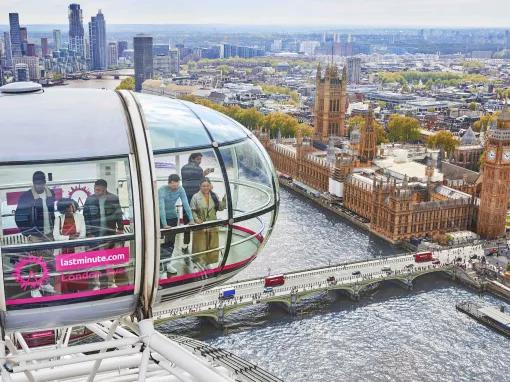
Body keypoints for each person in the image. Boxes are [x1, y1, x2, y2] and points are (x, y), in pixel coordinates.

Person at [159, 174, 193, 274]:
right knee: (159, 241)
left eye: (177, 185)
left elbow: (186, 204)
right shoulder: (162, 190)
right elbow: (161, 208)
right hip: (160, 217)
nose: (175, 187)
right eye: (173, 185)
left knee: (170, 242)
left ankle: (167, 263)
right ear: (169, 183)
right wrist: (164, 224)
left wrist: (191, 219)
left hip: (173, 217)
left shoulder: (180, 189)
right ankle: (159, 263)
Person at [181, 153, 214, 253]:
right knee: (199, 219)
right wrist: (205, 174)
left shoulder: (183, 168)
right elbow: (199, 182)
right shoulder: (199, 169)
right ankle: (200, 245)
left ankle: (185, 244)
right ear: (193, 159)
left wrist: (202, 174)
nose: (200, 161)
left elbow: (191, 179)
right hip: (196, 197)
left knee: (187, 220)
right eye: (198, 159)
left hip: (186, 197)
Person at [190, 178, 226, 268]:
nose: (205, 187)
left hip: (212, 224)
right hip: (201, 225)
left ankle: (208, 262)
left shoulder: (214, 196)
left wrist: (225, 199)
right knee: (200, 245)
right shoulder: (195, 197)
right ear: (200, 186)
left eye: (207, 186)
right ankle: (199, 262)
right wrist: (196, 219)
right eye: (203, 186)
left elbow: (220, 208)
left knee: (212, 244)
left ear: (210, 186)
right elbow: (192, 211)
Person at [15, 171, 56, 242]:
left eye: (41, 183)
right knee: (37, 253)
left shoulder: (51, 193)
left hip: (50, 233)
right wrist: (28, 234)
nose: (39, 185)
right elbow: (19, 217)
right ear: (33, 183)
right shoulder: (26, 197)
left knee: (51, 253)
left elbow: (52, 212)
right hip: (35, 236)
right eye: (37, 183)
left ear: (45, 182)